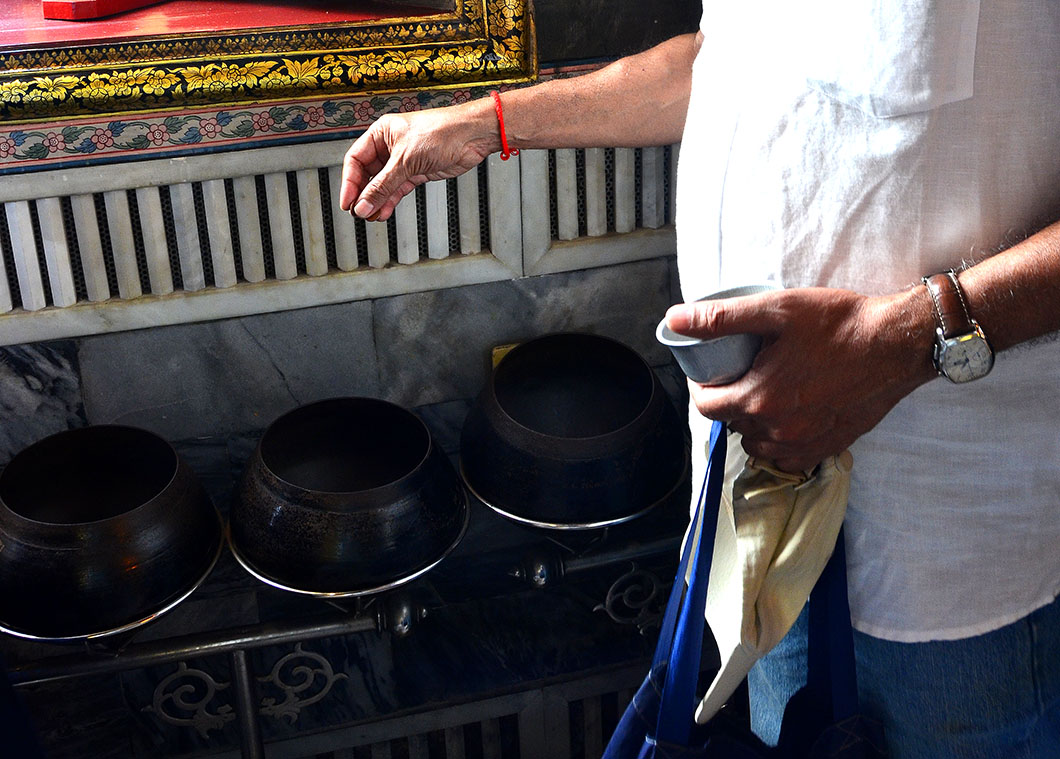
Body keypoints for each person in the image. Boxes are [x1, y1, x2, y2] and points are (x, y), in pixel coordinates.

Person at [339, 2, 1060, 756]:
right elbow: (722, 62)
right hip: (756, 517)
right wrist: (487, 122)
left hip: (950, 561)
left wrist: (905, 342)